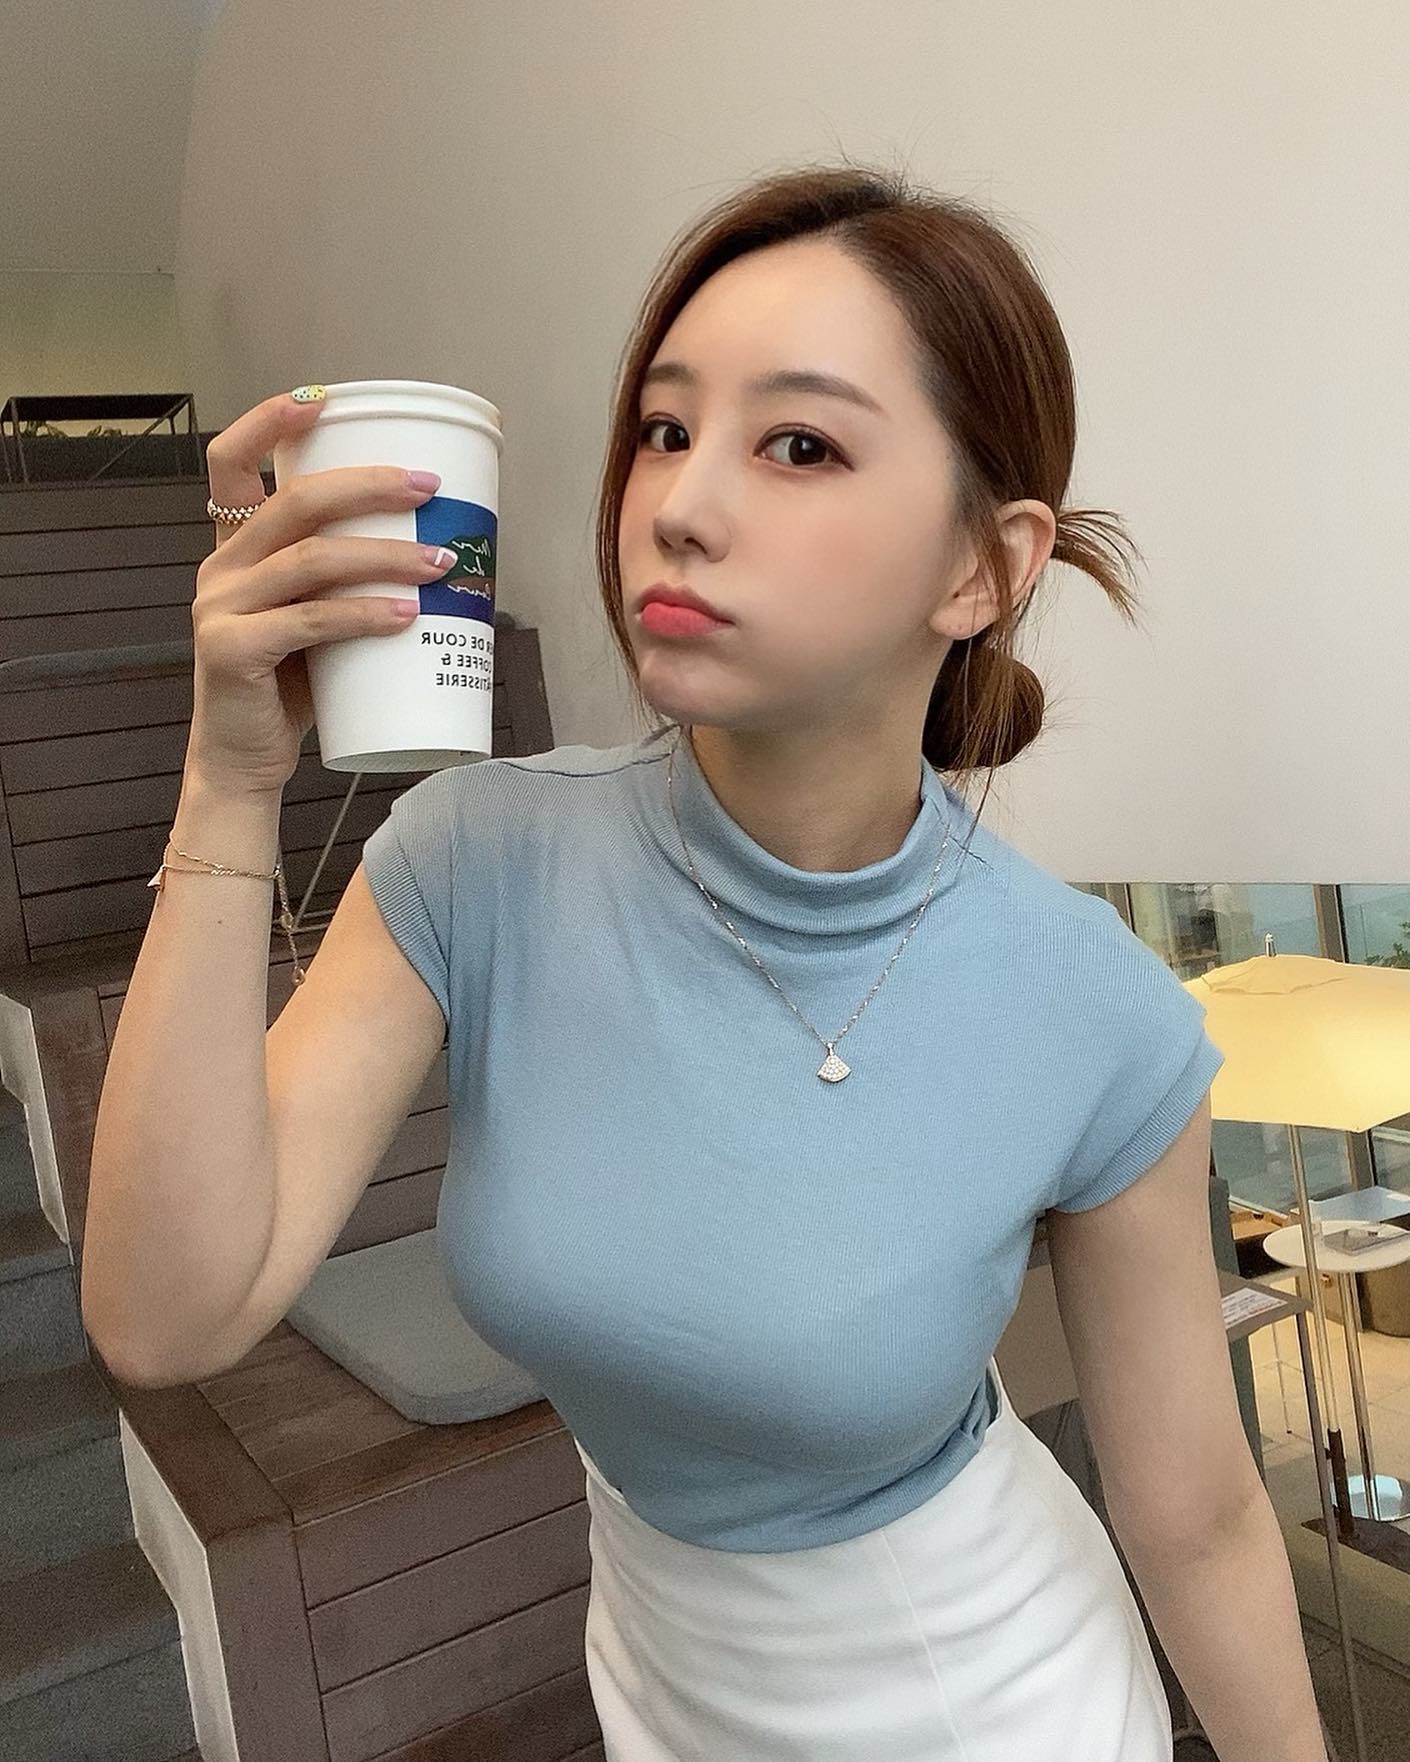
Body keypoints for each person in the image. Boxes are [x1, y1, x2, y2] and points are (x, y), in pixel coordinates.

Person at [83, 160, 1330, 1761]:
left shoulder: (1096, 1010)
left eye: (797, 444)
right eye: (665, 429)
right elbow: (166, 1317)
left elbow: (1199, 1519)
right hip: (665, 1680)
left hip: (991, 1699)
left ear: (982, 565)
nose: (676, 502)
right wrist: (228, 778)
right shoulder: (477, 861)